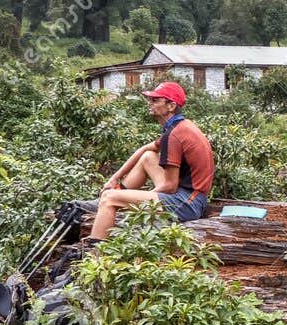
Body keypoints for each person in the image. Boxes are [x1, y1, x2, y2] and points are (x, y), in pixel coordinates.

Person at [90, 81, 215, 237]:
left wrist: (139, 203)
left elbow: (170, 186)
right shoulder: (181, 126)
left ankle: (94, 254)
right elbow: (144, 150)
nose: (150, 104)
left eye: (156, 100)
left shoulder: (174, 135)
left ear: (171, 106)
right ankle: (120, 192)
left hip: (187, 204)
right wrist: (114, 179)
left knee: (109, 198)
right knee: (148, 157)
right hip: (192, 197)